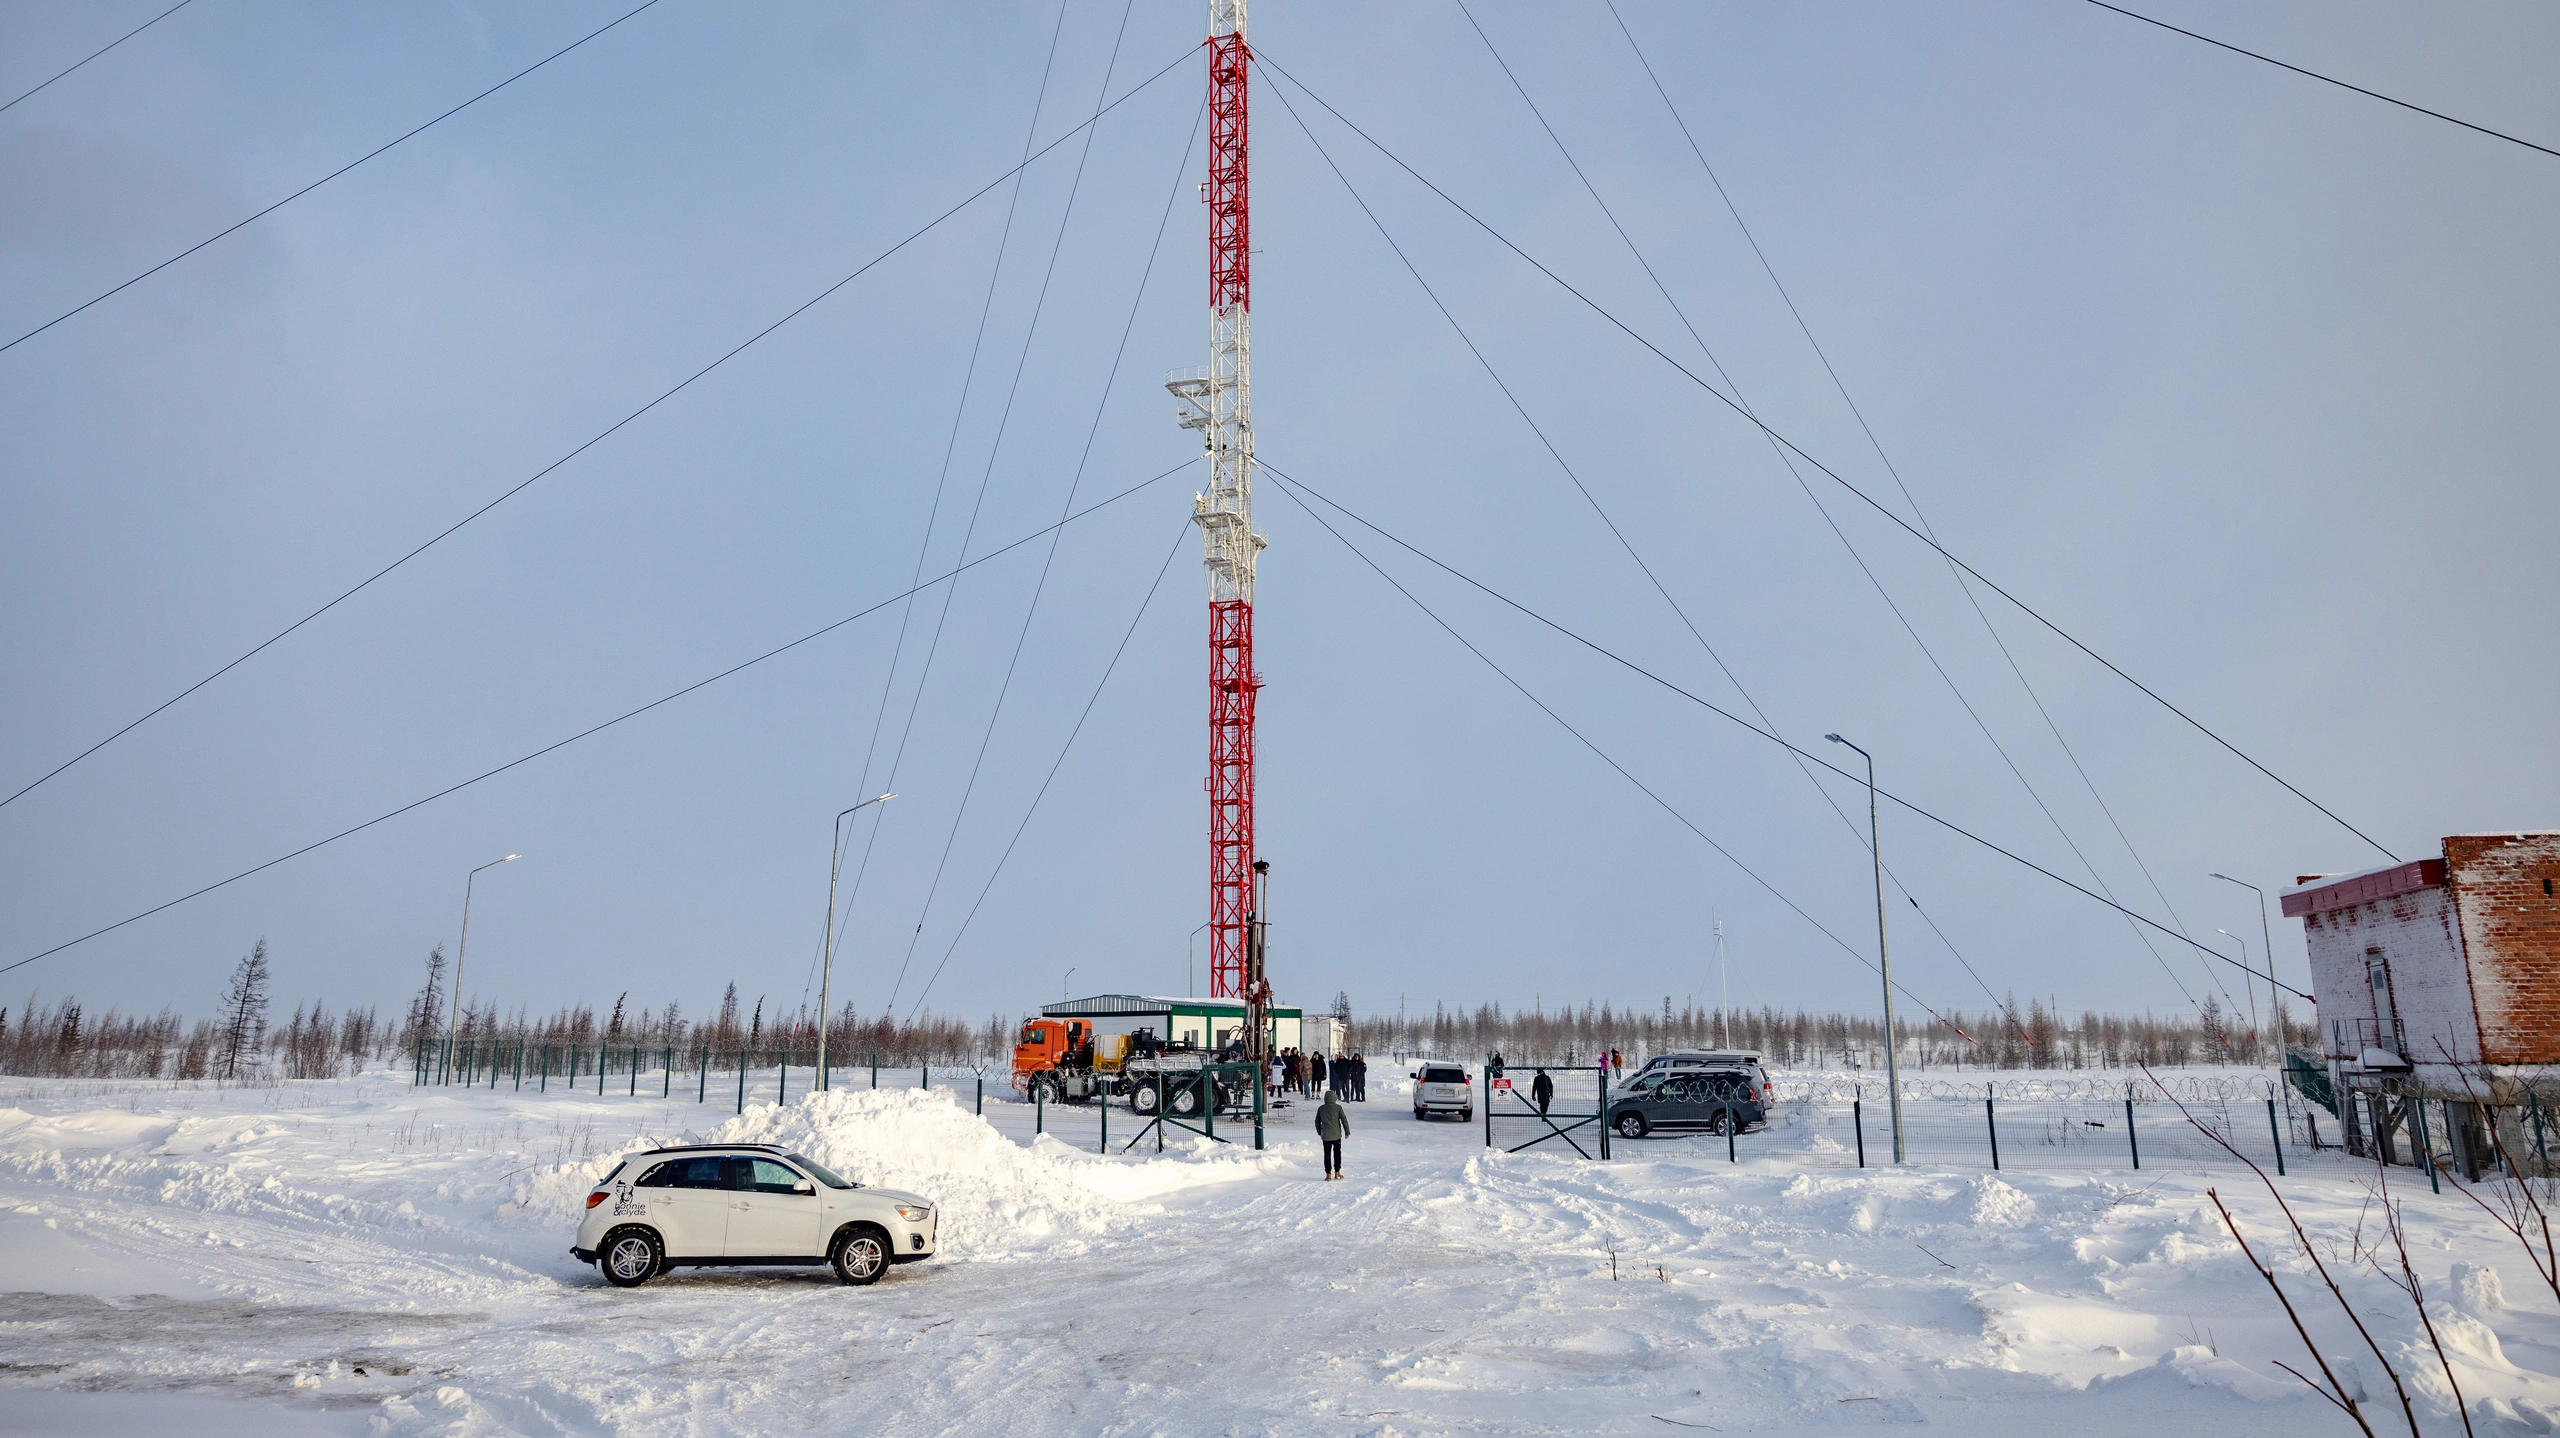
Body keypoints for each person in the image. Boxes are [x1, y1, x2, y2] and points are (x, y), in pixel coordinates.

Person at [1316, 1087, 1350, 1180]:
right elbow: (1344, 1120)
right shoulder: (1338, 1108)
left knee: (1327, 1154)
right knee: (1337, 1153)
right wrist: (1347, 1132)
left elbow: (1317, 1121)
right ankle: (1337, 1172)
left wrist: (1320, 1132)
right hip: (1336, 1135)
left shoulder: (1321, 1108)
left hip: (1326, 1136)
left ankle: (1328, 1174)